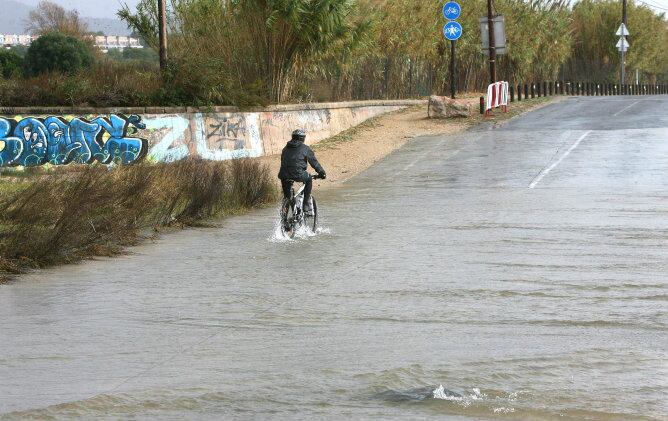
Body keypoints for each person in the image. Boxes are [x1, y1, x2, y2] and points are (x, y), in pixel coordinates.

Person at [278, 129, 326, 215]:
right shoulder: (305, 148)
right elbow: (314, 163)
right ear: (302, 138)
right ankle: (305, 203)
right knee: (308, 179)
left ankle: (285, 218)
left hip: (283, 174)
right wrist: (321, 172)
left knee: (287, 197)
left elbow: (283, 162)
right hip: (298, 174)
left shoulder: (285, 149)